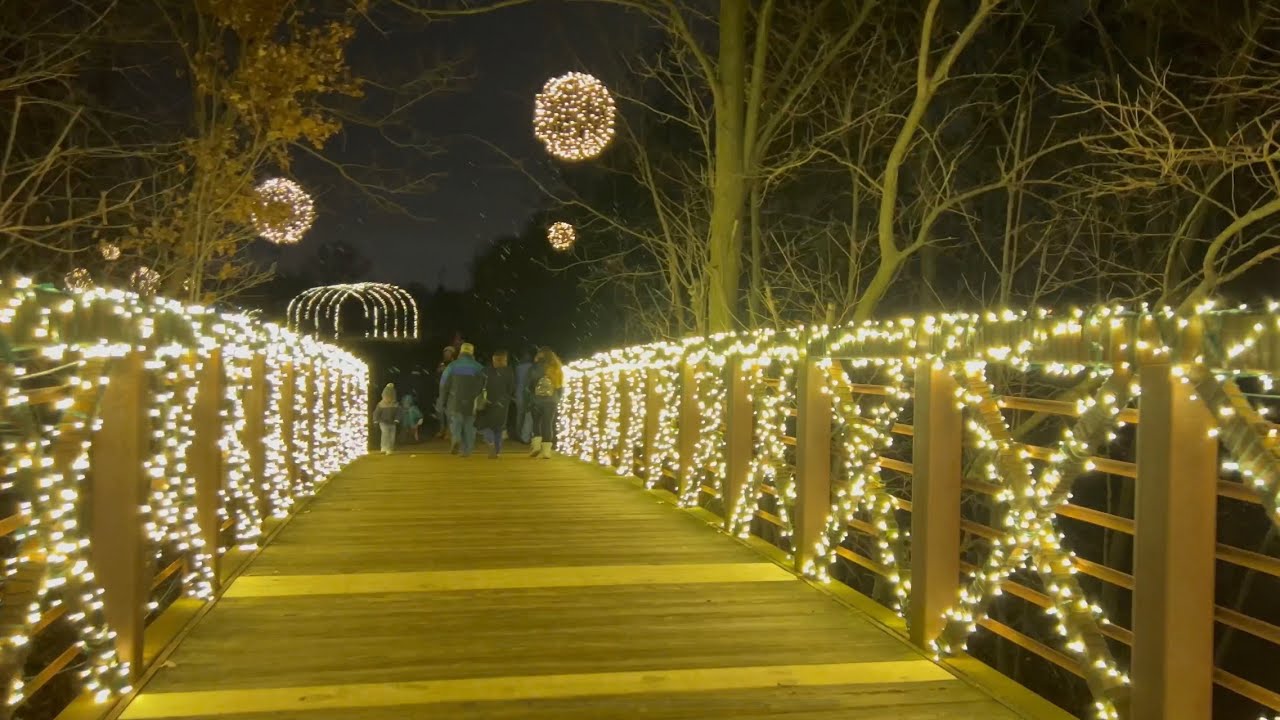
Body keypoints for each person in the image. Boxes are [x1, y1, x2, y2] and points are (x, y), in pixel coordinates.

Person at [440, 342, 486, 457]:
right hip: (472, 403)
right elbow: (484, 386)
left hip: (455, 401)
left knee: (456, 423)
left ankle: (456, 438)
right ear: (472, 353)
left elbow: (443, 385)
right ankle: (467, 451)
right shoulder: (479, 367)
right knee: (469, 427)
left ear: (460, 352)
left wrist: (442, 401)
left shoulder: (452, 366)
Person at [526, 347, 564, 459]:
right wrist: (557, 399)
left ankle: (536, 446)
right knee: (548, 424)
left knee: (536, 422)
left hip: (536, 400)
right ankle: (546, 451)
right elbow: (560, 387)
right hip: (552, 401)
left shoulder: (534, 368)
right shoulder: (557, 369)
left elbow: (529, 385)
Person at [477, 350, 516, 458]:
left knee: (486, 425)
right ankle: (497, 451)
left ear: (494, 359)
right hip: (502, 404)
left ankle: (491, 442)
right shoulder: (509, 372)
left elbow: (479, 386)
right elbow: (511, 389)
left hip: (487, 402)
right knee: (499, 428)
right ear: (503, 360)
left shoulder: (485, 371)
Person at [371, 383, 401, 455]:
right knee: (385, 434)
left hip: (392, 423)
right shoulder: (381, 404)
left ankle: (389, 448)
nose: (388, 399)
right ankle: (385, 448)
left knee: (392, 436)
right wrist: (375, 420)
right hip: (383, 422)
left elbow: (398, 413)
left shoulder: (395, 405)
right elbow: (376, 413)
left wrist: (397, 420)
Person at [434, 346, 456, 439]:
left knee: (449, 412)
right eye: (445, 353)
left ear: (452, 354)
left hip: (452, 391)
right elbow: (437, 375)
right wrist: (439, 370)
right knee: (439, 410)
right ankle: (442, 429)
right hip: (442, 390)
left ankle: (449, 431)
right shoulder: (441, 364)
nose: (446, 355)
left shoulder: (455, 364)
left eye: (448, 353)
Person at [513, 350, 533, 443]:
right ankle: (526, 435)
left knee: (519, 415)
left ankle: (518, 434)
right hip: (528, 394)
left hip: (519, 393)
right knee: (528, 415)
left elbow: (515, 381)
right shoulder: (532, 367)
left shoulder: (518, 367)